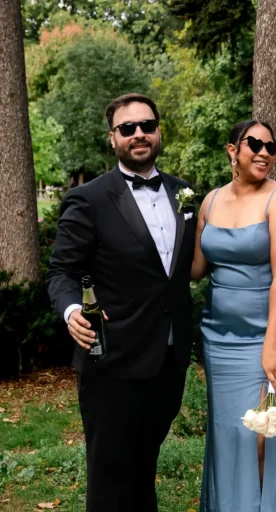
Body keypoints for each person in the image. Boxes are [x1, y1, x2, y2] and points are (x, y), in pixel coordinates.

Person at [47, 93, 196, 511]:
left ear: (158, 131)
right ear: (112, 139)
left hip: (169, 357)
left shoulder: (183, 194)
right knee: (110, 474)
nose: (139, 134)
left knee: (144, 468)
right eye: (127, 128)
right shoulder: (89, 199)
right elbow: (62, 272)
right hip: (111, 358)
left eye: (147, 125)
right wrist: (73, 310)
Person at [193, 120, 276, 511]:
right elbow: (194, 270)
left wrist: (271, 346)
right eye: (254, 143)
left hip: (268, 334)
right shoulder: (210, 201)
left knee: (261, 434)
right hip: (219, 335)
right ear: (232, 150)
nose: (264, 152)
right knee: (229, 434)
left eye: (272, 146)